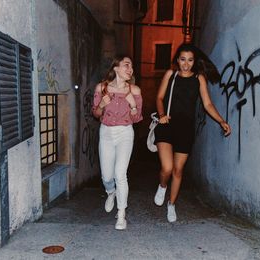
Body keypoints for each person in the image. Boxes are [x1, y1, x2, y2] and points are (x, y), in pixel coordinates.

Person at [153, 43, 231, 223]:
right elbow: (159, 98)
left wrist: (221, 121)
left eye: (189, 60)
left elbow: (208, 104)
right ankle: (162, 185)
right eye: (182, 60)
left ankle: (171, 204)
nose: (186, 64)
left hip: (186, 129)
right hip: (167, 124)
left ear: (194, 61)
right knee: (167, 168)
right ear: (177, 60)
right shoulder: (170, 75)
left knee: (178, 170)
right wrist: (162, 115)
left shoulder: (199, 79)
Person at [92, 55, 143, 230]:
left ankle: (121, 215)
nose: (130, 69)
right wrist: (101, 105)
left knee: (120, 174)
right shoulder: (102, 87)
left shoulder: (134, 90)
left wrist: (133, 105)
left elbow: (137, 119)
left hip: (125, 133)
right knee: (107, 176)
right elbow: (96, 114)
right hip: (106, 132)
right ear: (116, 68)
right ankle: (110, 192)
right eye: (126, 65)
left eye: (131, 66)